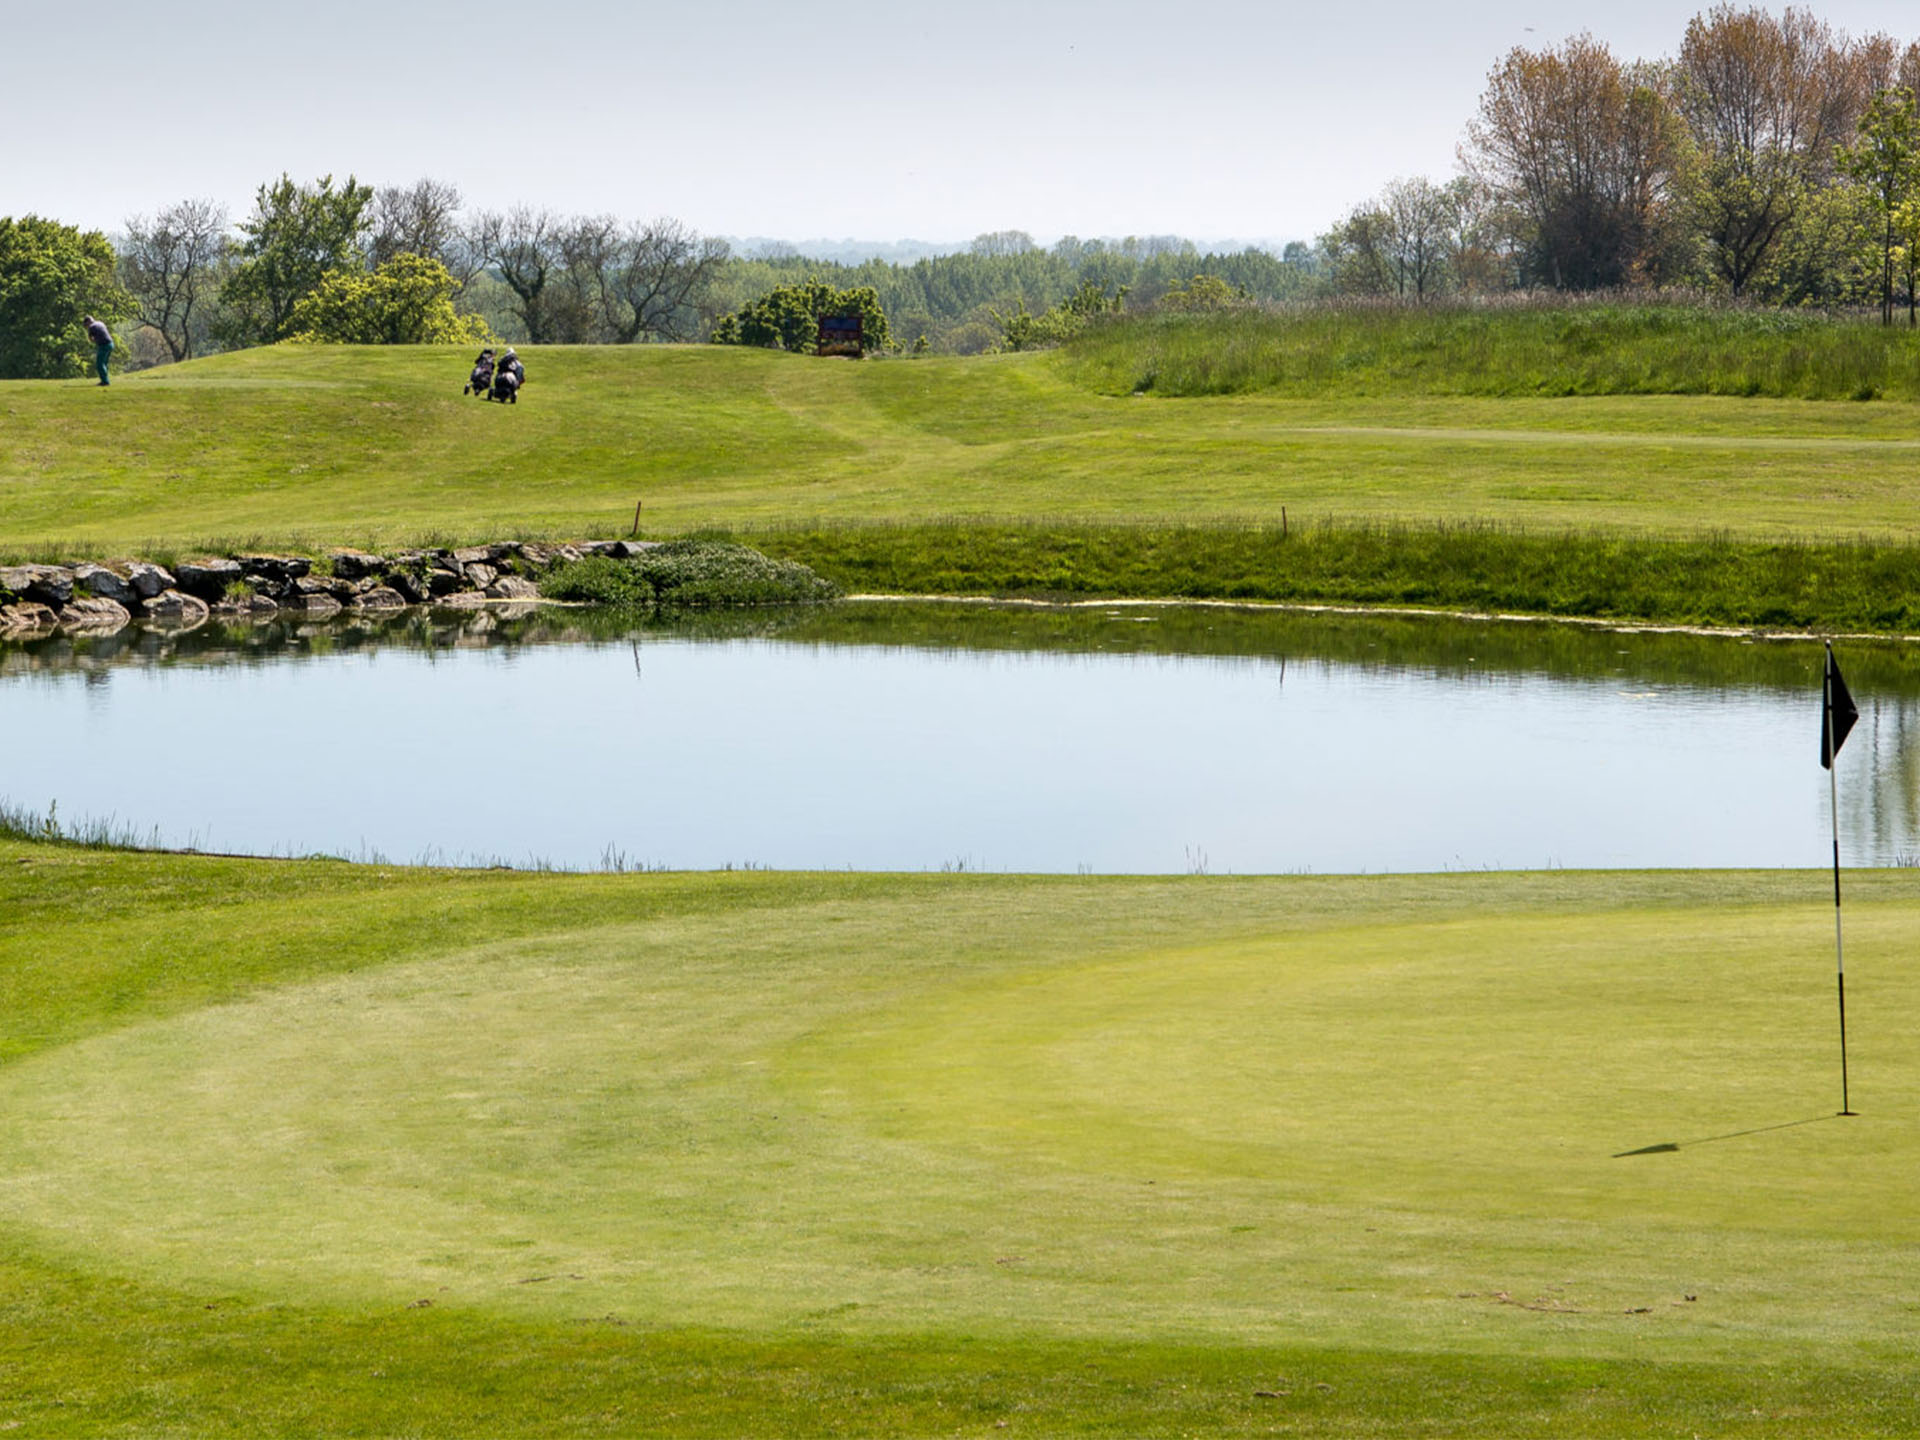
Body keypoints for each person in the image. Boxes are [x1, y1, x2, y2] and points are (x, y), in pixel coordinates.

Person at [83, 315, 113, 387]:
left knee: (100, 364)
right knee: (104, 363)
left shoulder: (91, 327)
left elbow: (90, 338)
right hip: (111, 344)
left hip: (103, 345)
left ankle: (105, 381)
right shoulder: (100, 323)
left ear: (88, 322)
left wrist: (95, 341)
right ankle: (105, 379)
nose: (86, 327)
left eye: (86, 325)